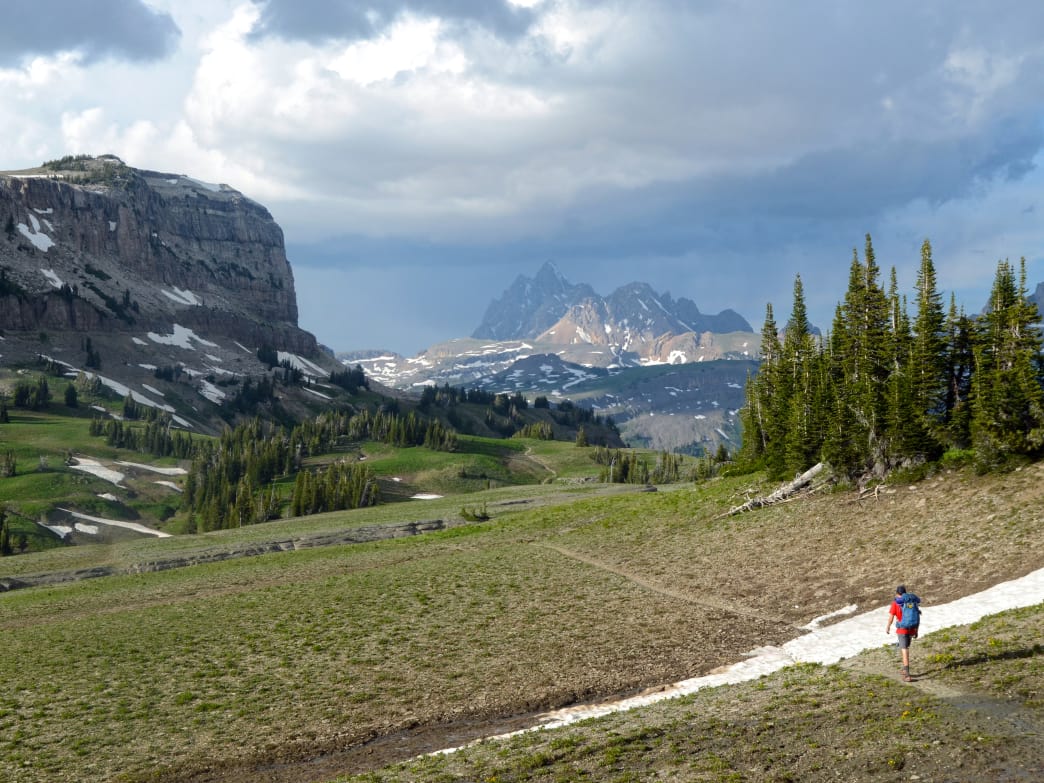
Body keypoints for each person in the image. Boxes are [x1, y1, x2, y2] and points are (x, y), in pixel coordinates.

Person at [886, 585, 921, 682]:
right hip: (912, 629)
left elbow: (891, 617)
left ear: (897, 593)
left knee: (904, 650)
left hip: (902, 629)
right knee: (906, 648)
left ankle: (907, 674)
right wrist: (916, 630)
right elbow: (917, 615)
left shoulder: (895, 603)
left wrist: (888, 626)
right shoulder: (912, 602)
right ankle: (904, 669)